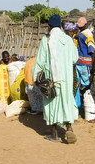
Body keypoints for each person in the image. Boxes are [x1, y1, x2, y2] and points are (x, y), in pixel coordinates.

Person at [33, 15, 78, 144]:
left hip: (51, 78)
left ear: (49, 26)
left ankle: (54, 134)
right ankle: (69, 127)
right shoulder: (68, 40)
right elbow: (75, 58)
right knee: (66, 101)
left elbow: (40, 61)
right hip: (66, 77)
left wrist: (35, 76)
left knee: (52, 103)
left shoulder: (46, 40)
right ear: (60, 25)